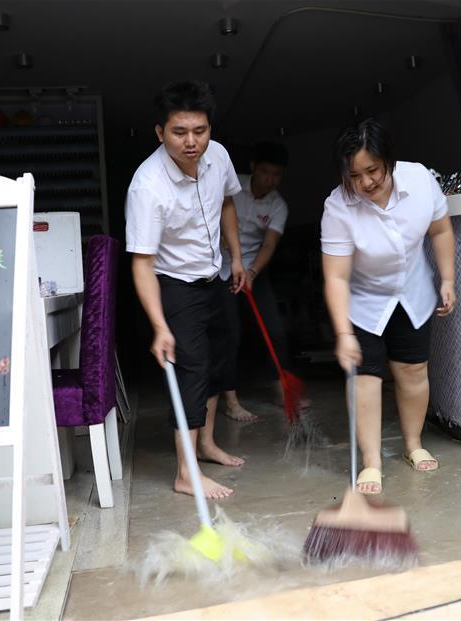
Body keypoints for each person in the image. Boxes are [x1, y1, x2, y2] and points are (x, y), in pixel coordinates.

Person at [320, 118, 456, 495]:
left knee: (413, 368)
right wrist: (344, 334)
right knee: (365, 377)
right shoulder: (338, 207)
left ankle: (413, 444)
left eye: (373, 170)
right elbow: (336, 277)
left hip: (412, 290)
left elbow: (440, 229)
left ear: (389, 161)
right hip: (363, 299)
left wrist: (447, 279)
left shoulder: (419, 180)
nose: (365, 182)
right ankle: (372, 461)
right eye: (355, 175)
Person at [126, 81, 247, 499]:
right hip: (174, 285)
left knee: (216, 361)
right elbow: (141, 263)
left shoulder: (219, 156)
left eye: (200, 130)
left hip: (213, 275)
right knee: (191, 371)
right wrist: (160, 326)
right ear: (160, 132)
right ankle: (185, 472)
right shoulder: (148, 187)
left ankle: (207, 445)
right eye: (180, 132)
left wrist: (236, 257)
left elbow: (228, 203)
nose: (192, 142)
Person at [218, 142, 292, 422]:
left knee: (275, 331)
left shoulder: (278, 205)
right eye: (265, 172)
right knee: (231, 334)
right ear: (253, 168)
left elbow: (269, 245)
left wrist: (251, 274)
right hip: (221, 269)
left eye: (276, 174)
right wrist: (227, 246)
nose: (270, 180)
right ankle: (231, 400)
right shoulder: (232, 187)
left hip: (252, 270)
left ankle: (283, 392)